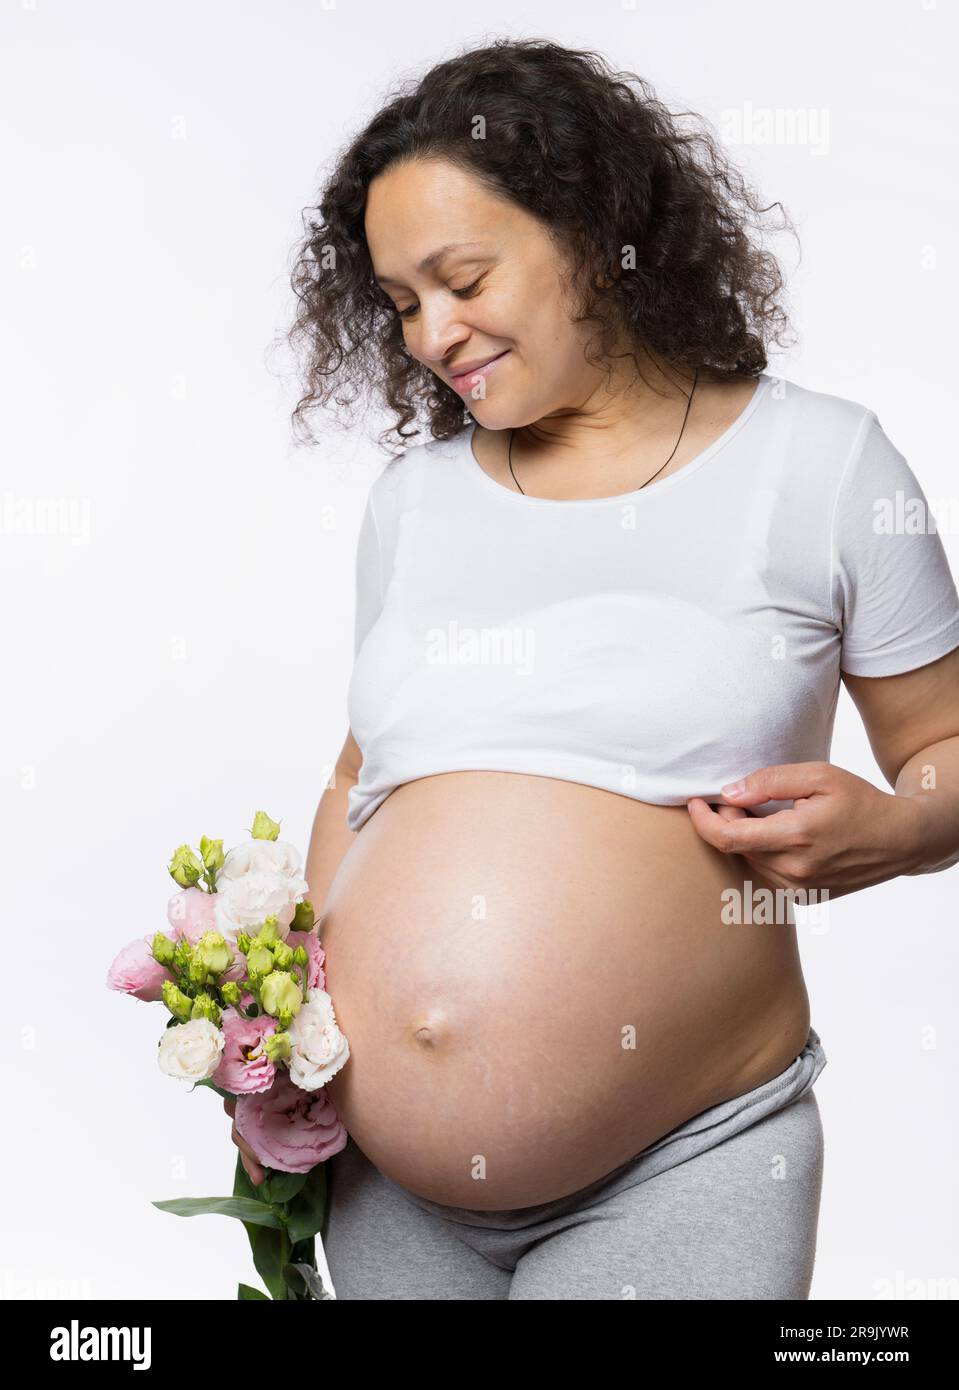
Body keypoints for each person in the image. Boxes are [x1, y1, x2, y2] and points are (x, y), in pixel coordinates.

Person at [227, 38, 959, 1299]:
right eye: (400, 302)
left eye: (460, 278)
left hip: (680, 1162)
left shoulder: (819, 466)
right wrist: (279, 1032)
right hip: (388, 1196)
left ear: (589, 233)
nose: (430, 334)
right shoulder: (413, 501)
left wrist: (895, 830)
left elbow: (942, 748)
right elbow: (363, 774)